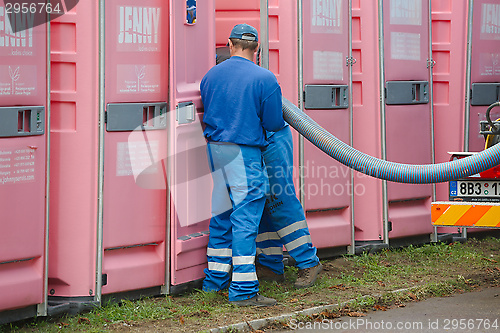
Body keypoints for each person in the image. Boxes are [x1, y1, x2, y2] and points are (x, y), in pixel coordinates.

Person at [200, 23, 285, 306]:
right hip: (244, 153)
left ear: (229, 43)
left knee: (221, 215)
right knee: (246, 219)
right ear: (257, 49)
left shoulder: (210, 76)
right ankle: (244, 290)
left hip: (215, 151)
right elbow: (274, 123)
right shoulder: (265, 78)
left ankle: (214, 282)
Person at [256, 124, 323, 288]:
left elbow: (273, 116)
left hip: (269, 137)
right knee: (262, 204)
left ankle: (308, 262)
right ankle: (270, 266)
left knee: (280, 201)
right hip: (253, 140)